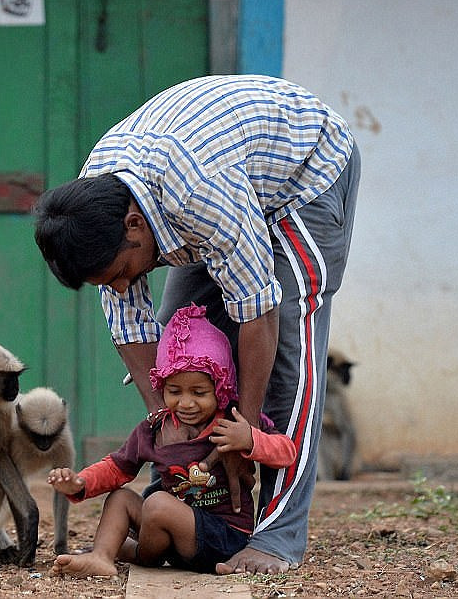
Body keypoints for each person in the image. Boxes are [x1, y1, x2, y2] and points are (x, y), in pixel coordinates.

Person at [33, 75, 360, 574]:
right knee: (181, 344)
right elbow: (130, 324)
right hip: (219, 188)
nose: (121, 287)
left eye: (121, 273)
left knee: (290, 355)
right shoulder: (96, 201)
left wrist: (241, 432)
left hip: (304, 175)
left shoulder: (199, 194)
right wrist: (167, 430)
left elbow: (259, 309)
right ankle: (204, 509)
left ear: (134, 227)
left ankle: (276, 536)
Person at [47, 305, 296, 576]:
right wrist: (80, 482)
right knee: (120, 498)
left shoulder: (233, 421)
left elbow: (287, 453)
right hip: (167, 526)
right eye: (174, 391)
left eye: (199, 392)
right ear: (161, 386)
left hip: (223, 536)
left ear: (220, 387)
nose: (186, 403)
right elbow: (117, 467)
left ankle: (136, 552)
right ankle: (101, 556)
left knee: (157, 502)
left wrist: (250, 439)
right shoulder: (156, 429)